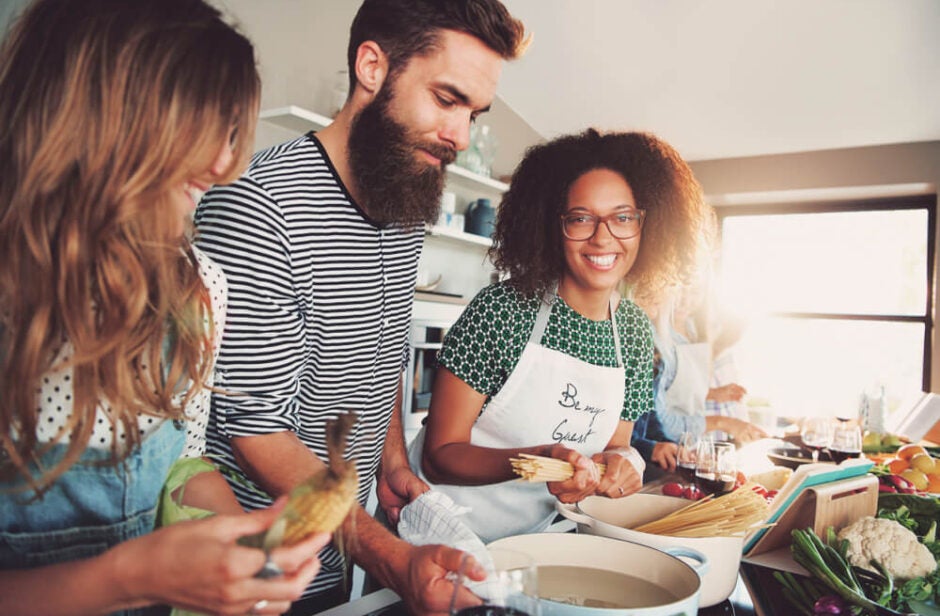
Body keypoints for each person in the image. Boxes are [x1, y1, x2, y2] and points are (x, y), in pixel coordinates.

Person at [193, 0, 528, 613]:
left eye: (472, 114)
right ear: (372, 66)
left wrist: (393, 460)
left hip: (342, 544)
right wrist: (391, 556)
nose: (460, 136)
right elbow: (256, 432)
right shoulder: (262, 209)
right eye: (446, 99)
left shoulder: (401, 198)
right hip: (253, 566)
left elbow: (383, 349)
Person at [0, 1, 330, 614]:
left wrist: (240, 549)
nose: (223, 166)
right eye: (203, 127)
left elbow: (184, 463)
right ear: (102, 106)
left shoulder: (198, 287)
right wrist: (130, 577)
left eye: (231, 135)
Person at [408, 129, 708, 543]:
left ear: (646, 227)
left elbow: (616, 446)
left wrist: (626, 463)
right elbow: (440, 455)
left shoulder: (636, 333)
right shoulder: (501, 311)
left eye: (622, 217)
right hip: (441, 528)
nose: (603, 237)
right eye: (581, 218)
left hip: (537, 540)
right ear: (553, 226)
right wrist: (536, 459)